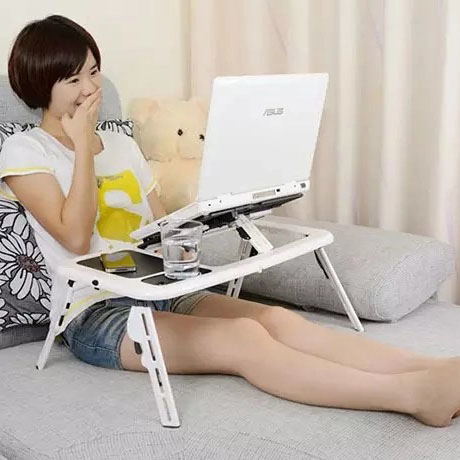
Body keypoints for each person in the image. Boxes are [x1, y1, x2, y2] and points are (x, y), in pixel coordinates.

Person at [1, 15, 460, 428]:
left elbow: (160, 228)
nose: (89, 88)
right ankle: (414, 396)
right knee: (243, 340)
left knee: (276, 320)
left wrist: (215, 213)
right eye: (73, 79)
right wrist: (82, 145)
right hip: (96, 313)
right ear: (41, 86)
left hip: (162, 287)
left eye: (93, 71)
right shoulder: (26, 150)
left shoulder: (121, 145)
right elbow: (76, 236)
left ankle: (428, 369)